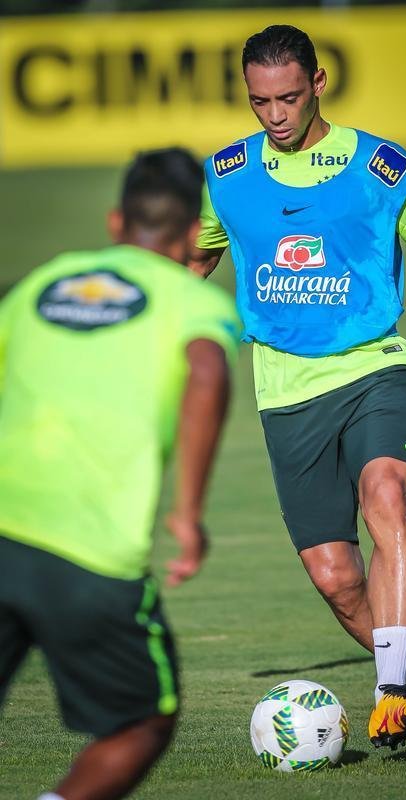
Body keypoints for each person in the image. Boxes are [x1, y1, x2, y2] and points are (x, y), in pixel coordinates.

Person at [189, 25, 406, 754]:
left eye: (289, 98)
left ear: (318, 84)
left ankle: (390, 694)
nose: (275, 115)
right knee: (336, 579)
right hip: (284, 392)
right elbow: (190, 268)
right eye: (260, 102)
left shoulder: (381, 167)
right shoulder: (227, 175)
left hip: (373, 368)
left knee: (385, 495)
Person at [0, 148, 240, 800]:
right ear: (191, 234)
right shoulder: (190, 299)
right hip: (89, 553)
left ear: (115, 222)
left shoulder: (44, 281)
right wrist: (187, 514)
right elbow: (207, 370)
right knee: (142, 721)